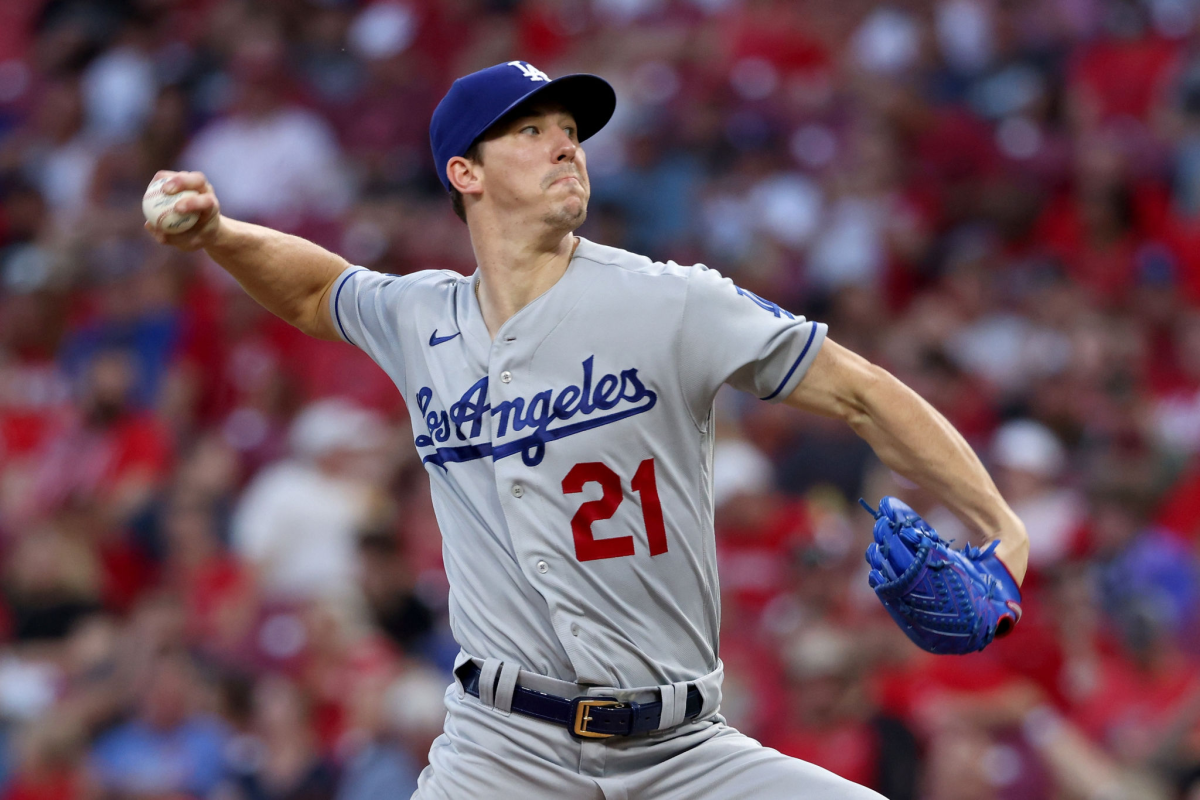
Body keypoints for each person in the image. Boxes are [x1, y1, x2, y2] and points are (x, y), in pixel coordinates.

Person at [146, 60, 1029, 799]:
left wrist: (1003, 529)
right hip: (500, 752)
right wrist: (219, 231)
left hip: (681, 753)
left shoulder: (670, 298)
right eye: (529, 130)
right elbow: (314, 288)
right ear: (467, 173)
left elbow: (863, 395)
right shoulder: (422, 318)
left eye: (569, 127)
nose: (565, 141)